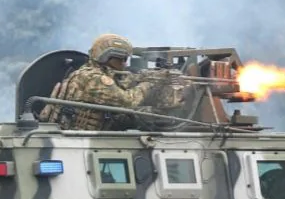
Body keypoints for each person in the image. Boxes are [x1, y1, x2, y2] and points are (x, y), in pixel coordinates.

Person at [39, 33, 186, 130]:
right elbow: (127, 101)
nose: (124, 63)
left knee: (147, 116)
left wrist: (144, 77)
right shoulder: (94, 79)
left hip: (82, 134)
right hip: (78, 137)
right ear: (104, 57)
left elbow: (123, 81)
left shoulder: (89, 73)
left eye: (126, 59)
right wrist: (150, 84)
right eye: (120, 59)